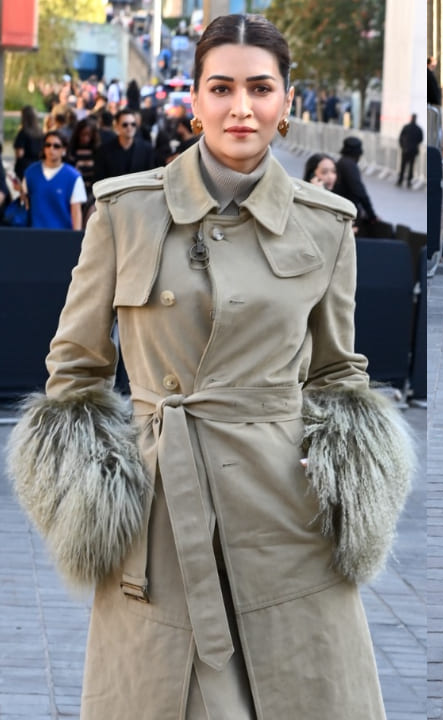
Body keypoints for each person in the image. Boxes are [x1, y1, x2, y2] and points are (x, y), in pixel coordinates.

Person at [6, 14, 413, 718]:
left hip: (287, 515)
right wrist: (105, 498)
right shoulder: (125, 213)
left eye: (260, 88)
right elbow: (74, 371)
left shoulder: (326, 224)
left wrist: (342, 483)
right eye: (221, 87)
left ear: (288, 101)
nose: (241, 107)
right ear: (193, 99)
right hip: (160, 518)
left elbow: (338, 375)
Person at [22, 131, 86, 230]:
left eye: (56, 146)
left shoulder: (73, 177)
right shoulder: (30, 172)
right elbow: (24, 204)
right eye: (48, 145)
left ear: (64, 149)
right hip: (33, 234)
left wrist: (76, 238)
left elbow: (76, 212)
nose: (51, 149)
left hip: (62, 235)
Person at [94, 107, 156, 181]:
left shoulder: (147, 149)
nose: (129, 127)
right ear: (116, 126)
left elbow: (151, 176)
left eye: (133, 124)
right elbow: (100, 179)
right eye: (125, 125)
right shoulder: (104, 151)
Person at [333, 136, 379, 234]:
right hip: (347, 212)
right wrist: (372, 215)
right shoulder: (350, 166)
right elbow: (359, 191)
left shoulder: (341, 162)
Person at [14, 105, 44, 180]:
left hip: (24, 166)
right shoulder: (40, 132)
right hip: (38, 165)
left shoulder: (23, 132)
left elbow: (20, 153)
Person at [397, 113, 424, 187]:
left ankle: (400, 180)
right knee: (411, 166)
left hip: (405, 150)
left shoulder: (406, 127)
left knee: (403, 165)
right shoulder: (418, 129)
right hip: (413, 150)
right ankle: (409, 181)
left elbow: (400, 138)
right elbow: (421, 139)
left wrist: (402, 146)